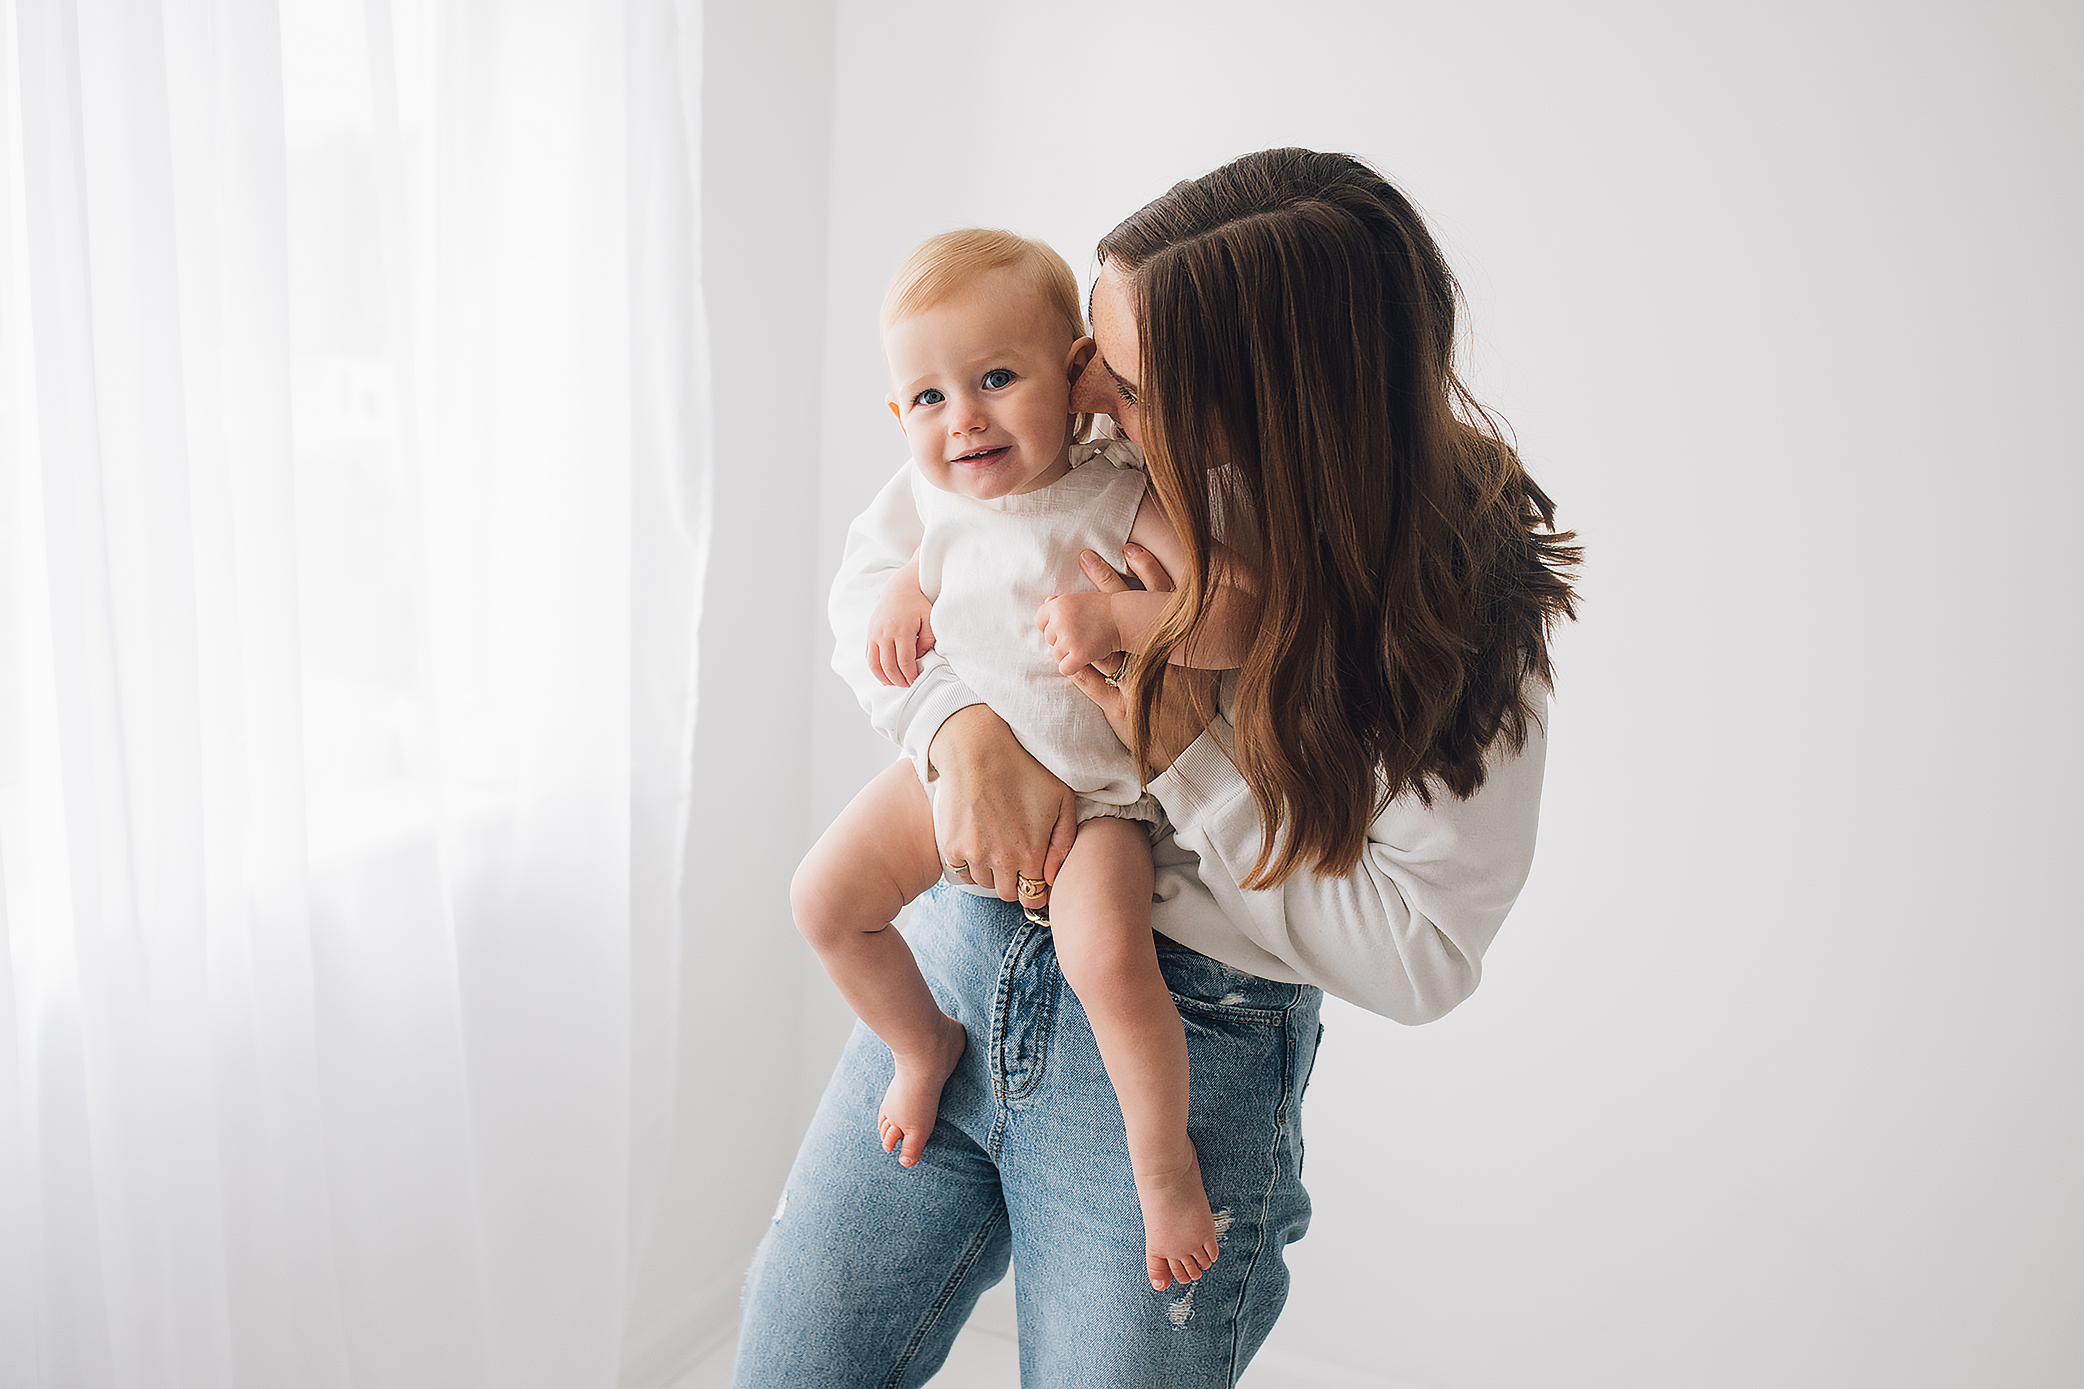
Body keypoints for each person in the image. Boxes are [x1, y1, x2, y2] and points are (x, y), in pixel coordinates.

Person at [734, 148, 1579, 1389]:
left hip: (1180, 1039)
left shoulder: (1445, 609)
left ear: (1260, 416)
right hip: (961, 963)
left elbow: (1421, 957)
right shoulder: (1050, 432)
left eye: (1117, 377)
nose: (1072, 384)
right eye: (1086, 343)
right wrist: (954, 731)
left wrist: (1182, 751)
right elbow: (887, 577)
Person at [789, 228, 1254, 1293]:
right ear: (898, 413)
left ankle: (1162, 1163)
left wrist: (1124, 620)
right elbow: (920, 570)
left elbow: (1236, 614)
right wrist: (908, 594)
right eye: (928, 398)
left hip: (1097, 807)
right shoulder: (939, 501)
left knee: (1107, 964)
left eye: (997, 379)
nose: (964, 419)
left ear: (1075, 373)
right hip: (953, 782)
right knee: (823, 902)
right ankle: (920, 1047)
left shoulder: (1120, 492)